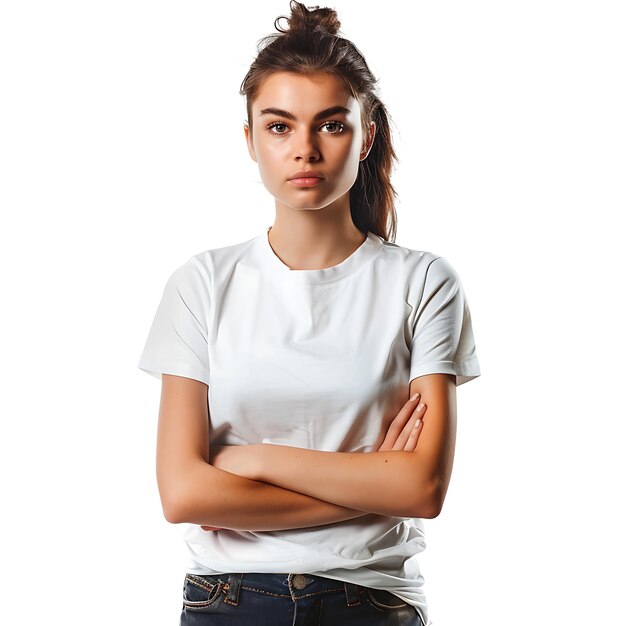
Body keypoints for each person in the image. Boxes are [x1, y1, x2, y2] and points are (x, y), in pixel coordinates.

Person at [137, 2, 481, 624]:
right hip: (228, 602)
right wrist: (371, 483)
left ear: (366, 133)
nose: (304, 150)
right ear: (249, 139)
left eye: (330, 124)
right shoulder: (201, 284)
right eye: (278, 126)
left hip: (370, 602)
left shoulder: (424, 282)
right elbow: (184, 493)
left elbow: (422, 490)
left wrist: (249, 462)